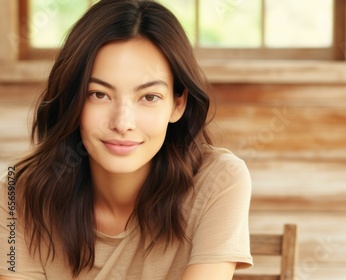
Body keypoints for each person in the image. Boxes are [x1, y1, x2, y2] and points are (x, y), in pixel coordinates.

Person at [0, 0, 253, 279]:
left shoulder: (218, 180)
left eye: (149, 97)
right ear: (73, 98)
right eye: (99, 94)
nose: (122, 123)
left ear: (177, 104)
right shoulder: (16, 193)